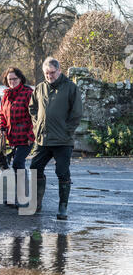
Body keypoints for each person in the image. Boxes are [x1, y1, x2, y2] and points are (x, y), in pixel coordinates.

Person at [29, 56, 83, 220]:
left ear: (59, 71)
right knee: (34, 167)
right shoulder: (39, 88)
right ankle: (36, 203)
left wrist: (67, 131)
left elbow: (77, 114)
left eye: (52, 73)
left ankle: (62, 207)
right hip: (43, 139)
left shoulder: (71, 88)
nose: (49, 76)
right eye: (46, 73)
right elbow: (32, 108)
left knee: (62, 172)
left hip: (62, 141)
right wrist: (37, 125)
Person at [0, 67, 34, 207]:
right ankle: (15, 197)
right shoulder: (6, 95)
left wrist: (31, 135)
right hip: (11, 137)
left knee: (18, 164)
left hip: (26, 136)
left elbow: (35, 117)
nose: (12, 81)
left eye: (15, 79)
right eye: (9, 79)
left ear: (20, 79)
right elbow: (2, 114)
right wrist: (1, 128)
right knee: (14, 166)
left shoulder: (28, 93)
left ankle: (22, 197)